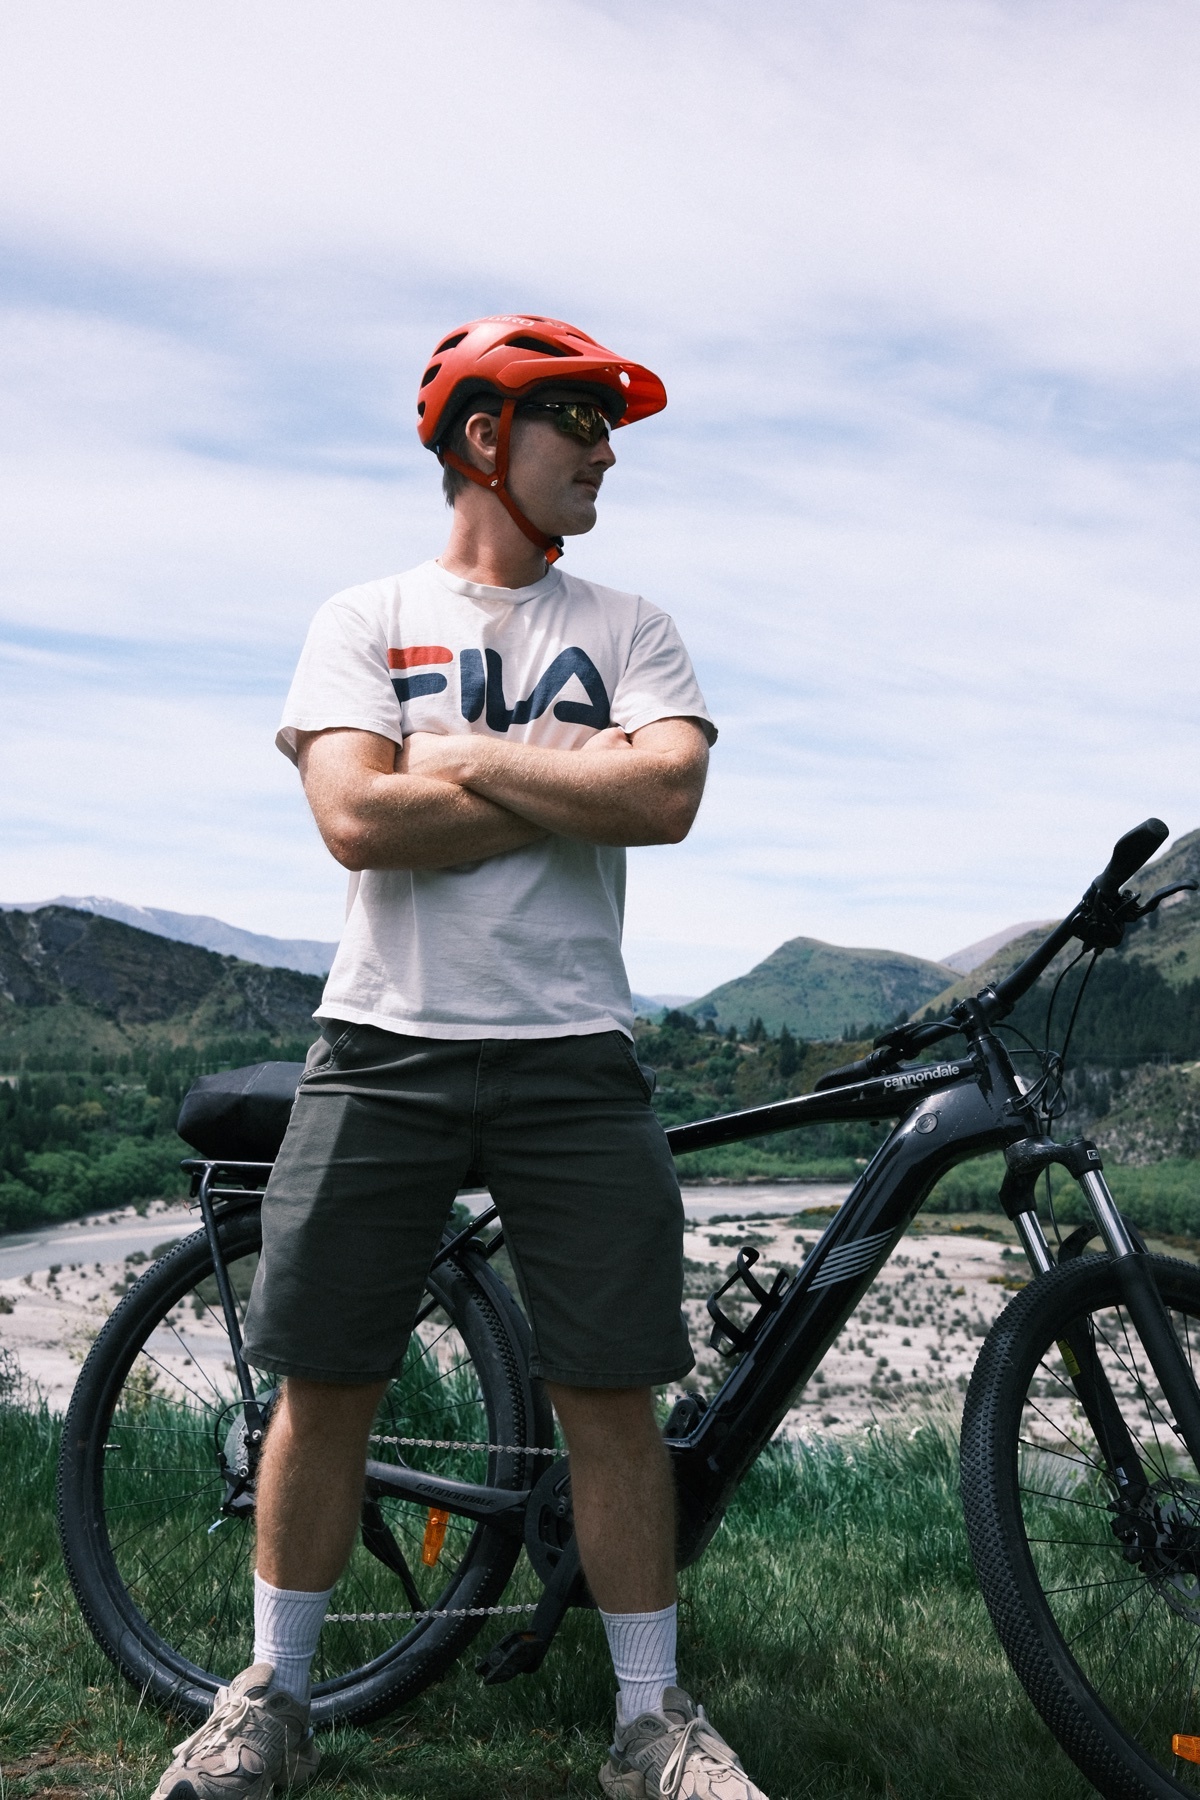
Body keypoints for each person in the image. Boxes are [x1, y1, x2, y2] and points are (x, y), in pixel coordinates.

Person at [152, 314, 768, 1800]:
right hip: (385, 1045)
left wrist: (474, 762)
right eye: (578, 421)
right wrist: (579, 783)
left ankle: (649, 1728)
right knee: (329, 1379)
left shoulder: (633, 625)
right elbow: (360, 822)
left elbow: (669, 793)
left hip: (574, 1054)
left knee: (612, 1390)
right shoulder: (365, 618)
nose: (606, 452)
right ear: (486, 438)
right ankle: (272, 1704)